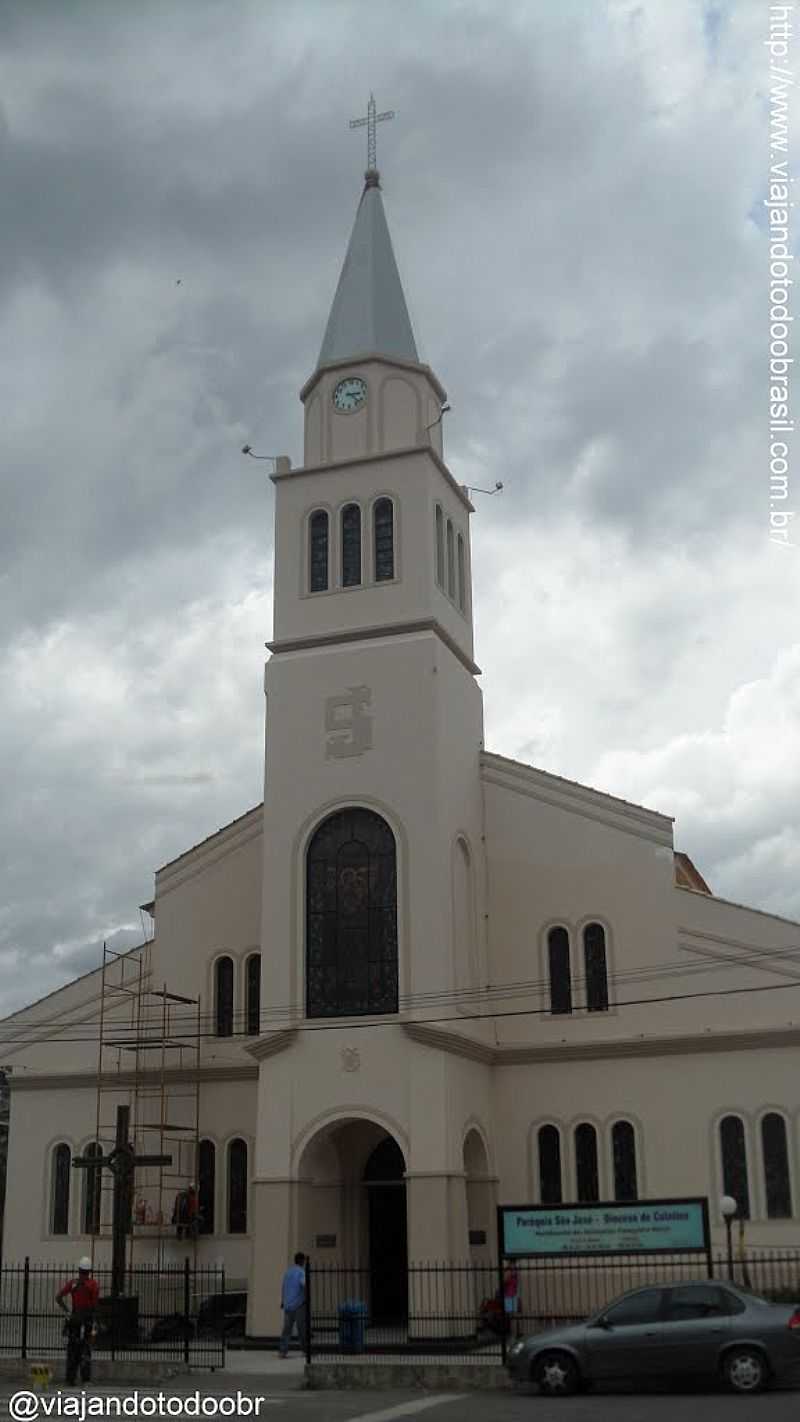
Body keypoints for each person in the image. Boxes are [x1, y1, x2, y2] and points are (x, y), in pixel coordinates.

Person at [56, 1257, 99, 1385]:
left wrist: (67, 1311)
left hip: (74, 1319)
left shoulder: (73, 1283)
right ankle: (85, 1379)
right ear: (89, 1271)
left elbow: (58, 1297)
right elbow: (95, 1304)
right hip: (87, 1320)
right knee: (86, 1348)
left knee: (72, 1349)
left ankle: (70, 1378)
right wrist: (95, 1321)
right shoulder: (93, 1285)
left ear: (79, 1270)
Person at [278, 1251, 307, 1357]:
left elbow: (283, 1287)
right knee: (301, 1328)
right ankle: (305, 1350)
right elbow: (303, 1284)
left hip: (288, 1304)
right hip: (299, 1304)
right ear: (302, 1261)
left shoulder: (288, 1272)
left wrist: (283, 1301)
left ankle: (282, 1351)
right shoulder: (301, 1272)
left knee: (286, 1329)